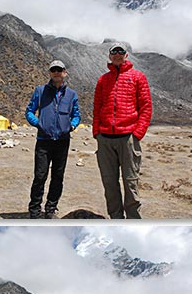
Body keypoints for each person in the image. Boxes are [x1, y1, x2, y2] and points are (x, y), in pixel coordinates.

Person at [93, 42, 153, 219]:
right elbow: (97, 107)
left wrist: (137, 134)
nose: (117, 55)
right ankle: (116, 219)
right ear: (110, 56)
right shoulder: (103, 80)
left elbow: (146, 107)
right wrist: (96, 132)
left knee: (130, 182)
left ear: (126, 55)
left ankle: (133, 219)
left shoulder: (138, 77)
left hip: (128, 137)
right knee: (109, 183)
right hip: (105, 139)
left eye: (121, 52)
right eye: (114, 52)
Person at [25, 60, 81, 218]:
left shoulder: (71, 94)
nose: (56, 72)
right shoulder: (40, 91)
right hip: (44, 140)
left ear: (65, 72)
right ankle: (35, 210)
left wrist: (72, 126)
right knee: (40, 176)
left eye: (59, 69)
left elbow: (76, 114)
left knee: (58, 176)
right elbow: (29, 111)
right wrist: (39, 124)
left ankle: (50, 209)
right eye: (53, 70)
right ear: (50, 73)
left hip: (62, 141)